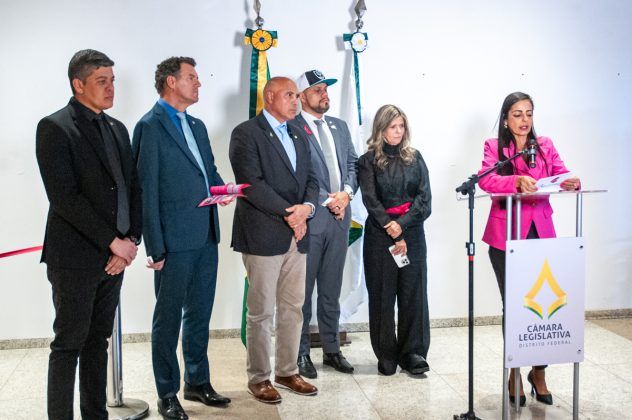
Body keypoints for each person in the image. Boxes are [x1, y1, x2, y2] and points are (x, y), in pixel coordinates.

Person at [35, 49, 142, 420]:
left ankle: (96, 415)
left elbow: (132, 189)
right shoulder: (55, 128)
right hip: (74, 259)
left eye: (112, 80)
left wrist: (131, 242)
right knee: (69, 345)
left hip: (115, 259)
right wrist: (113, 242)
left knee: (98, 343)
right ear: (78, 84)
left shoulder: (117, 129)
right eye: (101, 81)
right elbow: (65, 198)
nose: (111, 88)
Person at [132, 57, 231, 420]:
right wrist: (154, 246)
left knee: (200, 313)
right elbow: (146, 189)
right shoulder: (150, 126)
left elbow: (209, 171)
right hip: (173, 241)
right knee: (168, 319)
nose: (199, 83)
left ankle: (197, 381)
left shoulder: (197, 125)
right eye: (192, 77)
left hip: (206, 233)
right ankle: (167, 393)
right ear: (171, 82)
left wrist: (224, 189)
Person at [478, 91, 581, 406]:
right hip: (506, 237)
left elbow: (562, 173)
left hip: (542, 235)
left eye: (529, 113)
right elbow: (486, 181)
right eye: (517, 114)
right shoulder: (495, 147)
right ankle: (514, 372)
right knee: (514, 307)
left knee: (544, 307)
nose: (524, 120)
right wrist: (516, 181)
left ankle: (539, 372)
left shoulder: (544, 145)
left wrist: (571, 182)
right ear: (505, 119)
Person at [229, 77, 319, 404]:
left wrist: (307, 209)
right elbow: (251, 184)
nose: (296, 101)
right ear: (269, 97)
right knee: (261, 312)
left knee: (293, 308)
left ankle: (287, 371)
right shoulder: (246, 133)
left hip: (298, 234)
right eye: (289, 95)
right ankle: (259, 377)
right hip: (263, 234)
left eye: (297, 95)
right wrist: (290, 214)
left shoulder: (298, 132)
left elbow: (312, 179)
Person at [288, 69, 359, 379]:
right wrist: (330, 201)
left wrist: (346, 194)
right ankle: (301, 352)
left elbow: (353, 164)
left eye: (326, 89)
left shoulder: (339, 127)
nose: (325, 94)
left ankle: (332, 350)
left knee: (330, 290)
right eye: (317, 90)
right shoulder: (292, 127)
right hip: (311, 220)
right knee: (302, 294)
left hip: (339, 221)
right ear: (302, 96)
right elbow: (296, 174)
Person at [357, 104, 432, 376]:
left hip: (412, 233)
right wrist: (392, 227)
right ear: (381, 129)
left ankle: (413, 353)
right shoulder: (367, 161)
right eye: (392, 127)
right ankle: (386, 354)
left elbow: (424, 200)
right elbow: (370, 199)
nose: (398, 131)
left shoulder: (415, 158)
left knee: (413, 294)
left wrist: (402, 225)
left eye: (401, 126)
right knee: (382, 296)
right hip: (380, 235)